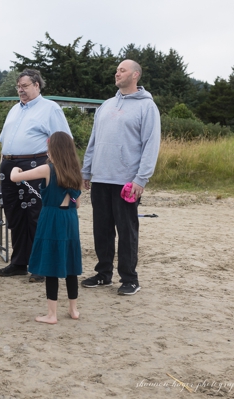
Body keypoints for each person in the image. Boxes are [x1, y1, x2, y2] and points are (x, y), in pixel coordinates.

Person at [80, 59, 160, 297]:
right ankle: (103, 274)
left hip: (127, 181)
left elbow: (151, 145)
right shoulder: (106, 105)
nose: (117, 73)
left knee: (126, 231)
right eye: (117, 70)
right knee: (101, 230)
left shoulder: (147, 107)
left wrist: (141, 179)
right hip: (101, 177)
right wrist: (86, 170)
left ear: (135, 75)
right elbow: (94, 140)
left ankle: (129, 278)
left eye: (122, 70)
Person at [0, 68, 72, 279]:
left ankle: (41, 265)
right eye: (18, 86)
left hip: (36, 164)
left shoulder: (51, 109)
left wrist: (61, 173)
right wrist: (2, 164)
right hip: (9, 166)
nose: (20, 90)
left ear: (37, 85)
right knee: (15, 215)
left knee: (36, 216)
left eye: (25, 86)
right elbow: (5, 142)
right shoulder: (14, 109)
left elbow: (64, 142)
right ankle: (19, 262)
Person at [11, 131, 84, 324]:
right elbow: (76, 203)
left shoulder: (48, 169)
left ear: (54, 150)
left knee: (52, 263)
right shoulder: (76, 171)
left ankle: (52, 314)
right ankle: (73, 309)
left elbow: (15, 178)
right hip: (70, 219)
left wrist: (15, 169)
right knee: (70, 264)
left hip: (52, 218)